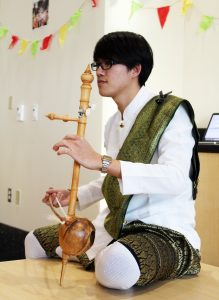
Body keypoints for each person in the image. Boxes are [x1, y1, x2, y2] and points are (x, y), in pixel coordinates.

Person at [25, 31, 201, 290]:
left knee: (114, 265)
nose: (99, 72)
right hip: (115, 224)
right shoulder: (112, 123)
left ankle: (116, 257)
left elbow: (176, 178)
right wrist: (75, 195)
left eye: (108, 63)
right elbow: (111, 178)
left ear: (135, 69)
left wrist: (101, 161)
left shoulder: (171, 113)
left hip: (162, 228)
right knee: (36, 240)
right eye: (98, 63)